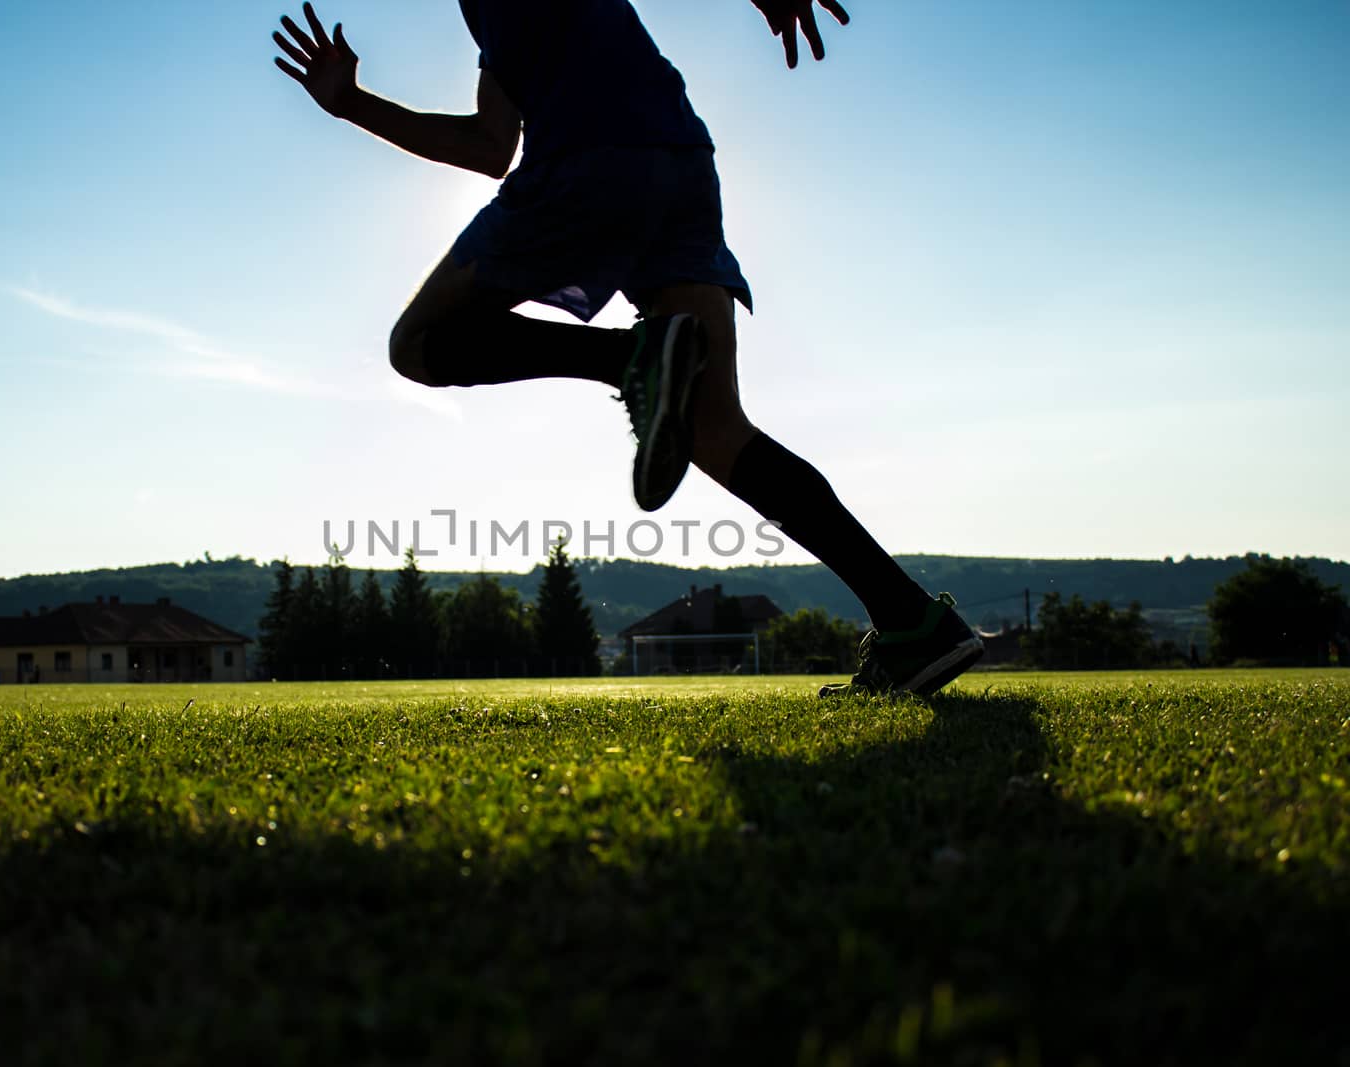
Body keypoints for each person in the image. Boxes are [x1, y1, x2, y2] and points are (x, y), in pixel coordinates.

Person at [273, 0, 983, 695]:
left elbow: (496, 154)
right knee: (715, 429)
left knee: (420, 343)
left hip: (589, 162)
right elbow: (490, 146)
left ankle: (627, 358)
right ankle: (910, 617)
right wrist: (354, 105)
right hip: (680, 162)